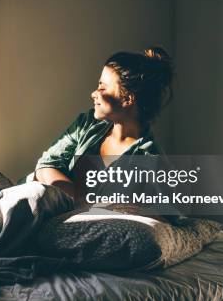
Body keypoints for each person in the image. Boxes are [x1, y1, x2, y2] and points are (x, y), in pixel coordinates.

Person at [33, 47, 174, 208]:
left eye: (103, 87)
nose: (94, 93)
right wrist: (85, 203)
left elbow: (167, 211)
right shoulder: (86, 124)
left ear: (127, 99)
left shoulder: (149, 158)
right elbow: (45, 167)